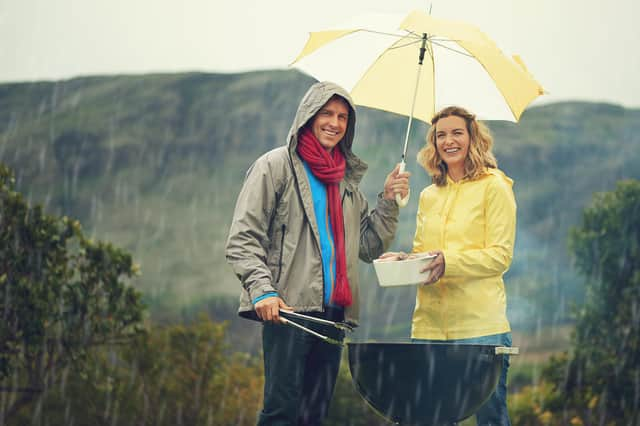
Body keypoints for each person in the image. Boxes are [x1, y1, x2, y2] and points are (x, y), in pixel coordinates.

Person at [225, 81, 410, 426]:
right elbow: (243, 238)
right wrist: (262, 289)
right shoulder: (275, 166)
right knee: (281, 413)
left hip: (334, 315)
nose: (335, 123)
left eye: (342, 116)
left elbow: (367, 247)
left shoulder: (346, 184)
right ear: (308, 116)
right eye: (327, 113)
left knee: (315, 416)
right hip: (288, 310)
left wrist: (387, 201)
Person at [379, 106, 516, 425]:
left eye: (457, 132)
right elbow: (424, 253)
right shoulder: (429, 195)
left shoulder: (495, 186)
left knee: (491, 419)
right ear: (433, 142)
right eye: (441, 134)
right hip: (428, 327)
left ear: (473, 137)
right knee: (426, 417)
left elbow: (500, 256)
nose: (448, 140)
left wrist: (448, 262)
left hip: (480, 329)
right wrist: (404, 260)